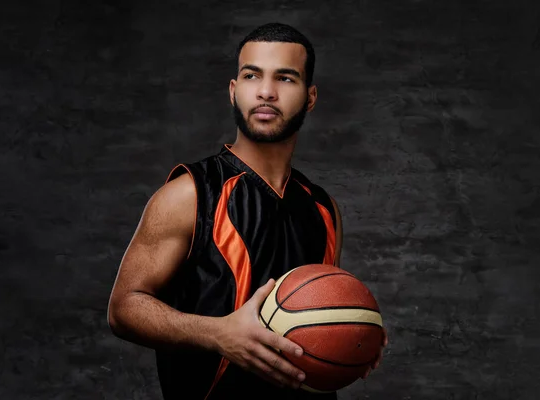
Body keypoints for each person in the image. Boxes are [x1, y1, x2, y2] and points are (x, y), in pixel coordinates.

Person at [107, 22, 387, 400]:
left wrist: (350, 336)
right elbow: (124, 309)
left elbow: (316, 317)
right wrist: (218, 334)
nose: (267, 92)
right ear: (234, 90)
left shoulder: (324, 209)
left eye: (286, 78)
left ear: (310, 96)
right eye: (252, 75)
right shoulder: (189, 193)